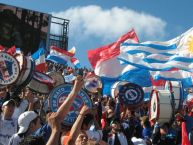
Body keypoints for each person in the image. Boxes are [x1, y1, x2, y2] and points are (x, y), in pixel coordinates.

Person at [9, 75, 84, 145]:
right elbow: (58, 118)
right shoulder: (37, 137)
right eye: (39, 121)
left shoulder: (21, 139)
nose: (41, 123)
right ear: (32, 125)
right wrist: (75, 91)